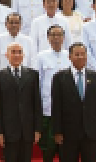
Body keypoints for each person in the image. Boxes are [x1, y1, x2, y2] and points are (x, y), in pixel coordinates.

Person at [51, 42, 96, 162]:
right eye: (77, 54)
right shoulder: (59, 77)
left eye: (83, 54)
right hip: (68, 134)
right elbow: (56, 107)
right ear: (70, 57)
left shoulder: (95, 77)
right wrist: (57, 132)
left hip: (91, 133)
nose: (80, 57)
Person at [36, 25, 70, 162]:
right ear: (48, 37)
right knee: (48, 149)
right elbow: (37, 83)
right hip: (47, 109)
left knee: (66, 150)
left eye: (59, 35)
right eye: (53, 35)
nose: (56, 38)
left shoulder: (70, 55)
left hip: (67, 112)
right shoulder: (41, 57)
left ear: (63, 37)